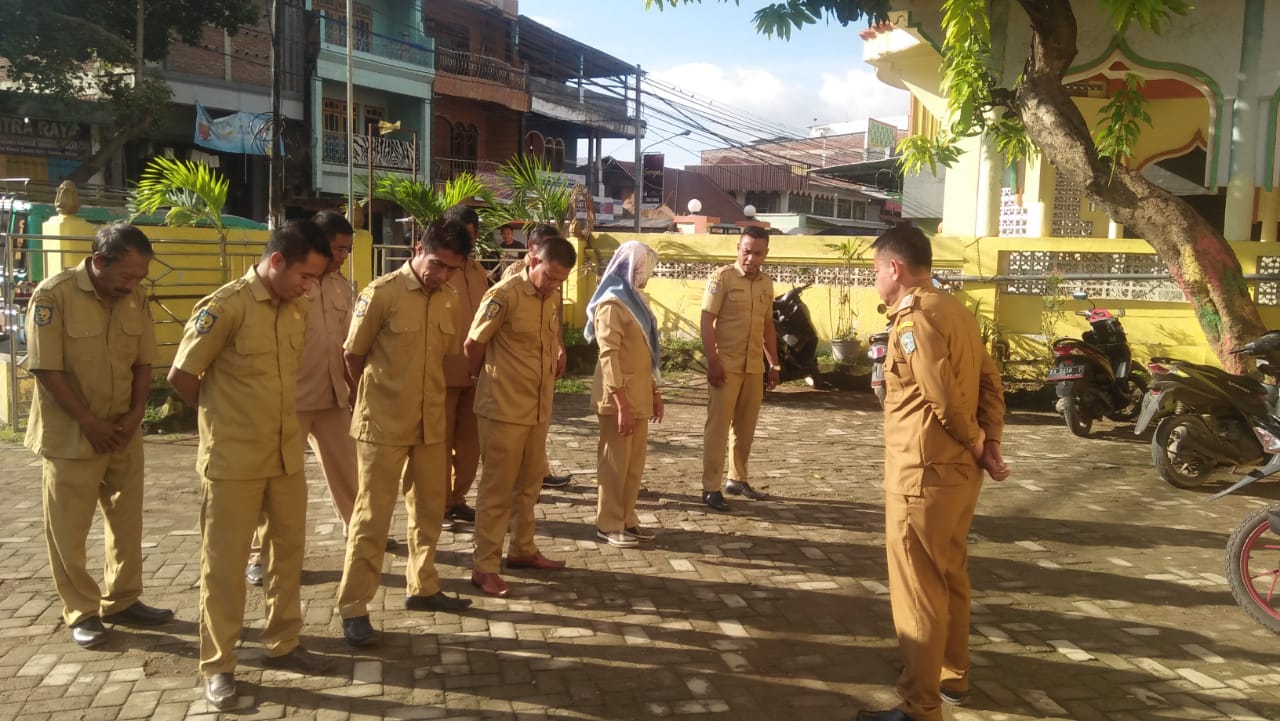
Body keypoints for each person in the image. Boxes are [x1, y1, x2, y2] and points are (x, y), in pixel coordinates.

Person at [168, 220, 333, 710]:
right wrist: (223, 417)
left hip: (285, 455)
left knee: (287, 556)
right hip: (233, 460)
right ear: (277, 261)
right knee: (224, 566)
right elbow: (182, 375)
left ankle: (284, 641)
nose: (309, 287)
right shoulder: (226, 307)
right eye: (305, 276)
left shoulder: (296, 307)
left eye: (315, 279)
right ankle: (219, 665)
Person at [856, 225, 1010, 721]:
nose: (876, 280)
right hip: (957, 474)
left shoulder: (914, 319)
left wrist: (978, 439)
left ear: (894, 268)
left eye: (876, 270)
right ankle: (952, 674)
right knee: (950, 576)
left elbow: (941, 393)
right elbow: (990, 381)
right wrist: (989, 442)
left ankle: (919, 705)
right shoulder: (955, 310)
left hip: (922, 476)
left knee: (918, 590)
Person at [23, 221, 174, 649]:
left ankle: (123, 599)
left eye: (140, 276)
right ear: (98, 262)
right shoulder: (54, 296)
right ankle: (82, 611)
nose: (133, 284)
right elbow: (45, 367)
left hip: (123, 430)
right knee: (68, 530)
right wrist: (90, 423)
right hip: (72, 435)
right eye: (127, 275)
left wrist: (137, 412)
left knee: (127, 521)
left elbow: (144, 361)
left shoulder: (135, 297)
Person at [336, 219, 474, 648]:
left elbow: (445, 359)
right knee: (372, 517)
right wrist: (369, 400)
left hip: (430, 423)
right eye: (437, 264)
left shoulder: (449, 298)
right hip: (382, 424)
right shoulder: (382, 293)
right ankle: (354, 606)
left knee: (429, 510)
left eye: (452, 268)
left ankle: (423, 586)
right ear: (418, 249)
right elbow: (352, 355)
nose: (442, 274)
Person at [245, 210, 362, 586]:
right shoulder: (288, 284)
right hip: (290, 400)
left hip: (333, 396)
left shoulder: (341, 286)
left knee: (349, 472)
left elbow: (347, 343)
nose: (343, 255)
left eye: (347, 249)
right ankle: (260, 555)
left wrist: (353, 388)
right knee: (275, 481)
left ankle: (360, 535)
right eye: (338, 248)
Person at [465, 235, 577, 598]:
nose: (553, 284)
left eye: (561, 280)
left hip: (537, 406)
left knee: (530, 484)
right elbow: (473, 344)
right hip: (503, 407)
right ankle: (484, 567)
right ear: (533, 260)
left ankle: (522, 549)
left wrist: (559, 350)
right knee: (496, 489)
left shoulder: (552, 296)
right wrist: (480, 381)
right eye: (550, 276)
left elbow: (551, 334)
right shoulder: (504, 295)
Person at [585, 241, 663, 548]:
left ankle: (627, 518)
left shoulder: (636, 301)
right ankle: (608, 523)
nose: (647, 274)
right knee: (614, 465)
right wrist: (621, 404)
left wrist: (654, 392)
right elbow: (609, 355)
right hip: (618, 399)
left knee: (633, 464)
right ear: (631, 267)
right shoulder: (612, 304)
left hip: (638, 395)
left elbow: (644, 353)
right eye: (644, 267)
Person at [698, 226, 780, 512]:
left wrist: (774, 363)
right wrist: (713, 360)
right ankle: (710, 487)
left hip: (754, 367)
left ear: (765, 254)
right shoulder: (722, 278)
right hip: (726, 366)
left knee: (745, 427)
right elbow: (707, 320)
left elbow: (767, 326)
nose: (751, 258)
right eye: (746, 251)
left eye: (757, 253)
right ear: (738, 249)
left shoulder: (766, 284)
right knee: (718, 428)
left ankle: (737, 478)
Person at [502, 222, 572, 489]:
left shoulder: (553, 275)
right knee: (517, 428)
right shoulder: (514, 275)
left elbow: (554, 318)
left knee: (540, 422)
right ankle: (523, 475)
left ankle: (538, 472)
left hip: (543, 360)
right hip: (518, 364)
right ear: (532, 247)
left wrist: (560, 347)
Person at [441, 204, 491, 527]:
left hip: (475, 373)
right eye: (462, 234)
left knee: (470, 446)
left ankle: (457, 498)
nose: (467, 241)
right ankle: (440, 504)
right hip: (442, 374)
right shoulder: (439, 270)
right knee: (439, 445)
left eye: (471, 235)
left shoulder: (478, 271)